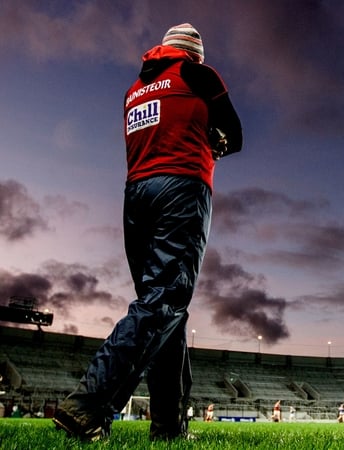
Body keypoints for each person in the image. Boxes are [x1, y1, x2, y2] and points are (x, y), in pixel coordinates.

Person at [52, 23, 242, 443]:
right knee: (165, 301)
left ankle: (168, 428)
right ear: (194, 54)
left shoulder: (134, 89)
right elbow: (237, 135)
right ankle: (87, 403)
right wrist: (214, 142)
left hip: (136, 195)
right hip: (182, 187)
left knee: (164, 312)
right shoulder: (198, 74)